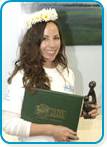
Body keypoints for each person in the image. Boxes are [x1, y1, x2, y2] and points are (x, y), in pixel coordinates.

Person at [3, 8, 98, 142]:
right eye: (45, 39)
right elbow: (8, 124)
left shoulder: (68, 73)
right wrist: (51, 130)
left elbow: (60, 113)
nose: (52, 45)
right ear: (34, 42)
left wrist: (83, 112)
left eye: (56, 38)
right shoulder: (23, 75)